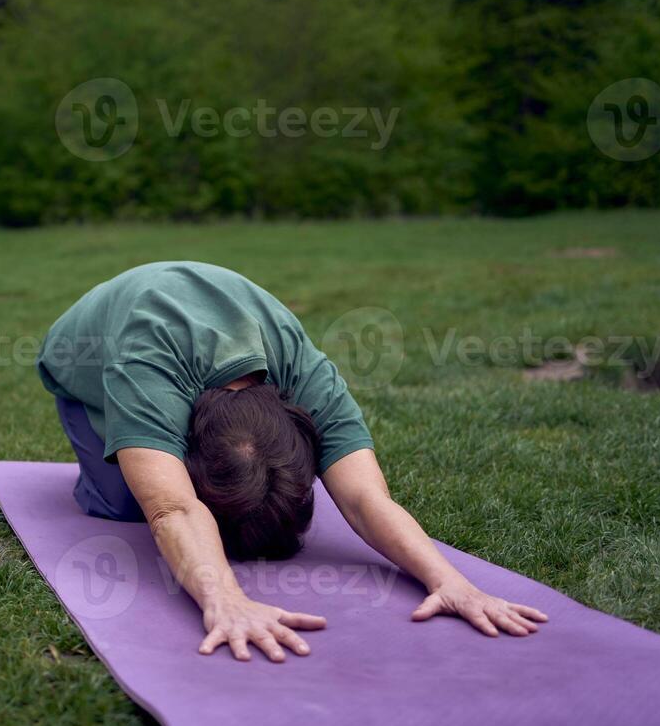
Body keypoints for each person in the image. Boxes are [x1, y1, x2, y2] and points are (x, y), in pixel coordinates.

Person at [38, 261, 548, 664]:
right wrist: (224, 599)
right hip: (84, 353)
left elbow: (365, 498)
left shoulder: (309, 380)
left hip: (192, 330)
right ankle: (110, 469)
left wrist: (449, 580)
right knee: (128, 505)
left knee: (241, 499)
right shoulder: (145, 374)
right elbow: (171, 507)